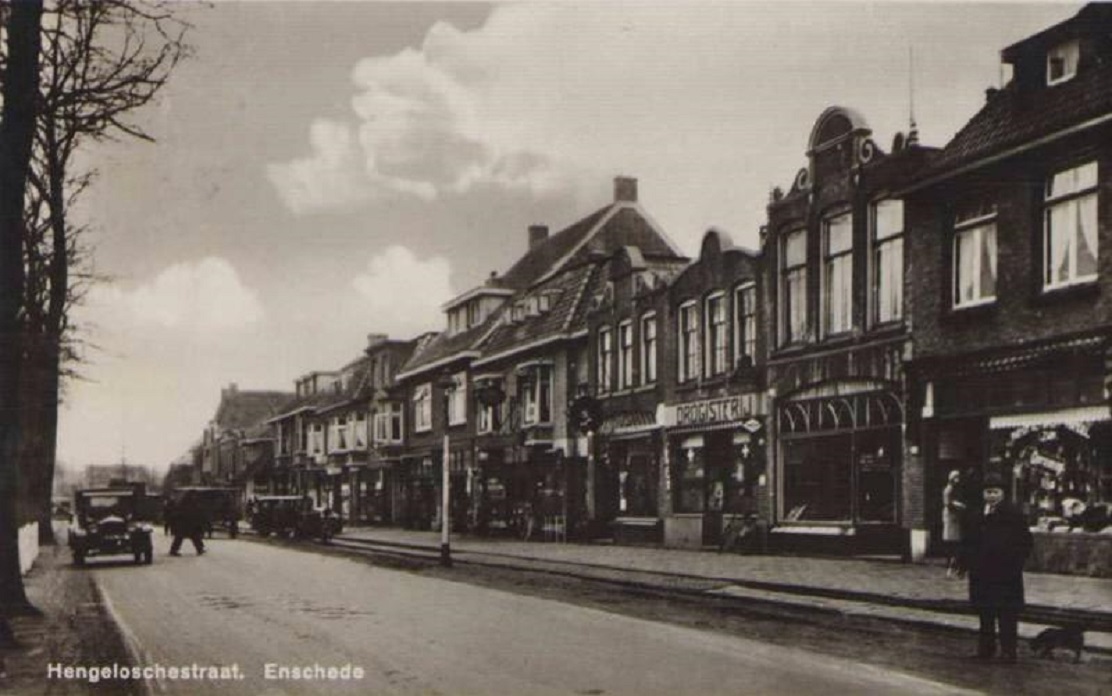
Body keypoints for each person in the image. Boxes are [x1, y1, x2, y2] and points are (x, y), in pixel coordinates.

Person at [963, 471, 1032, 663]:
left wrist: (1015, 562)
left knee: (1006, 613)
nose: (991, 496)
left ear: (1003, 493)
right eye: (988, 492)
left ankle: (1009, 651)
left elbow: (1025, 541)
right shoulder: (977, 514)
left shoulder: (1013, 514)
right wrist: (966, 560)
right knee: (985, 612)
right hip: (981, 572)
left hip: (1005, 573)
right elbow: (969, 540)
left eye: (995, 492)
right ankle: (986, 649)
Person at [942, 470, 967, 578]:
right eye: (956, 477)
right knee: (955, 545)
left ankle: (955, 568)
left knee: (956, 544)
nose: (958, 479)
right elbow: (948, 503)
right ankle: (952, 568)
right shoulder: (949, 489)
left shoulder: (955, 489)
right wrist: (959, 505)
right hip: (952, 519)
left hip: (955, 519)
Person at [169, 492, 206, 556]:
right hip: (185, 523)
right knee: (182, 537)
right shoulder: (187, 504)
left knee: (193, 537)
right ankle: (174, 550)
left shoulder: (187, 503)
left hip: (188, 523)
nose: (194, 496)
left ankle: (200, 549)